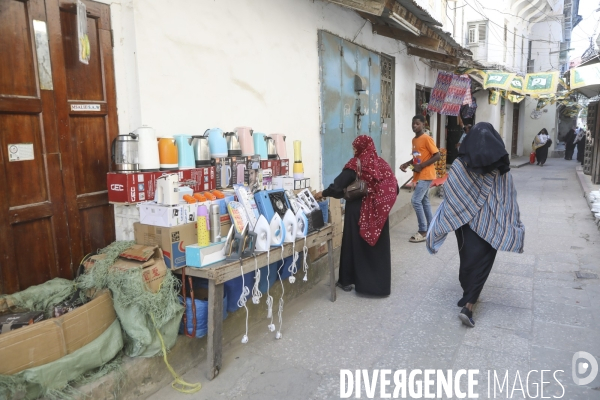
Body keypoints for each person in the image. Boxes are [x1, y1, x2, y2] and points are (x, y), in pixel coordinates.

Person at [426, 122, 525, 327]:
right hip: (488, 222)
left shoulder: (462, 163)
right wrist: (507, 219)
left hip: (466, 222)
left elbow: (452, 192)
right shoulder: (499, 166)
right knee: (480, 262)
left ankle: (469, 303)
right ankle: (469, 296)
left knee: (470, 261)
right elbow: (507, 198)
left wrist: (463, 209)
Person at [314, 135, 398, 296]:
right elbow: (394, 186)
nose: (353, 151)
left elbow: (338, 186)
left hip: (358, 211)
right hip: (379, 213)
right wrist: (379, 203)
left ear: (360, 148)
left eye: (354, 148)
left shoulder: (355, 164)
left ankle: (346, 280)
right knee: (377, 248)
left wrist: (322, 193)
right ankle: (379, 286)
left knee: (352, 244)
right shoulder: (381, 164)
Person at [400, 115, 440, 243]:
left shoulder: (427, 138)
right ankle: (432, 227)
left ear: (423, 124)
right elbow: (417, 158)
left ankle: (423, 231)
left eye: (417, 123)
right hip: (420, 174)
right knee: (424, 201)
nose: (414, 126)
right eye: (413, 124)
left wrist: (421, 166)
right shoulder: (414, 140)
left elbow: (437, 155)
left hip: (426, 174)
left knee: (416, 200)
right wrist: (407, 164)